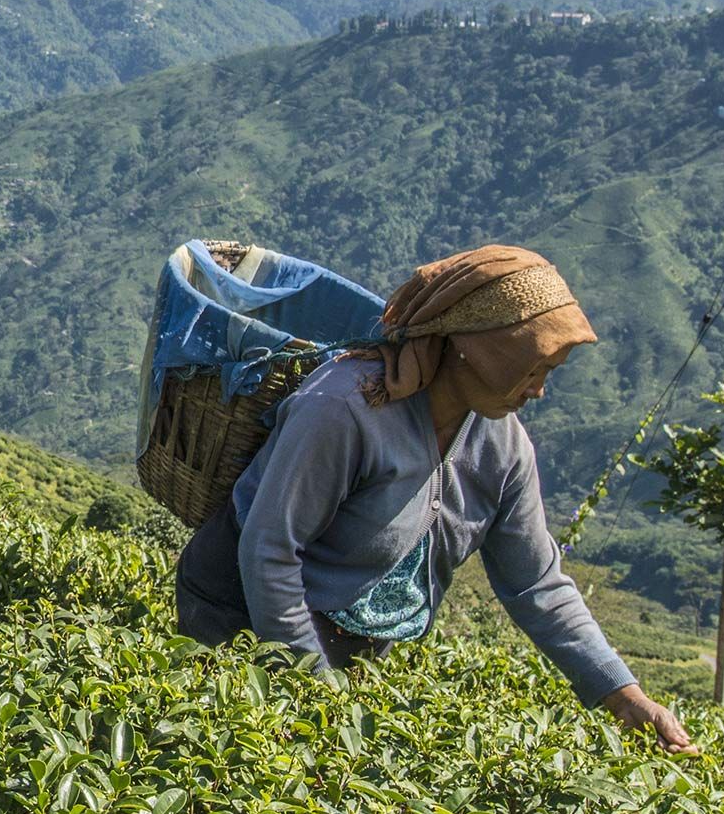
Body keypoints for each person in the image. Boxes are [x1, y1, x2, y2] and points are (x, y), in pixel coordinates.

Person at [174, 244, 694, 751]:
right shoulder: (345, 409)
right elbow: (269, 551)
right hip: (237, 609)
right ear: (479, 348)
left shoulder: (502, 447)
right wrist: (312, 688)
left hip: (349, 636)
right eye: (533, 368)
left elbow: (538, 584)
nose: (538, 390)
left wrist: (624, 696)